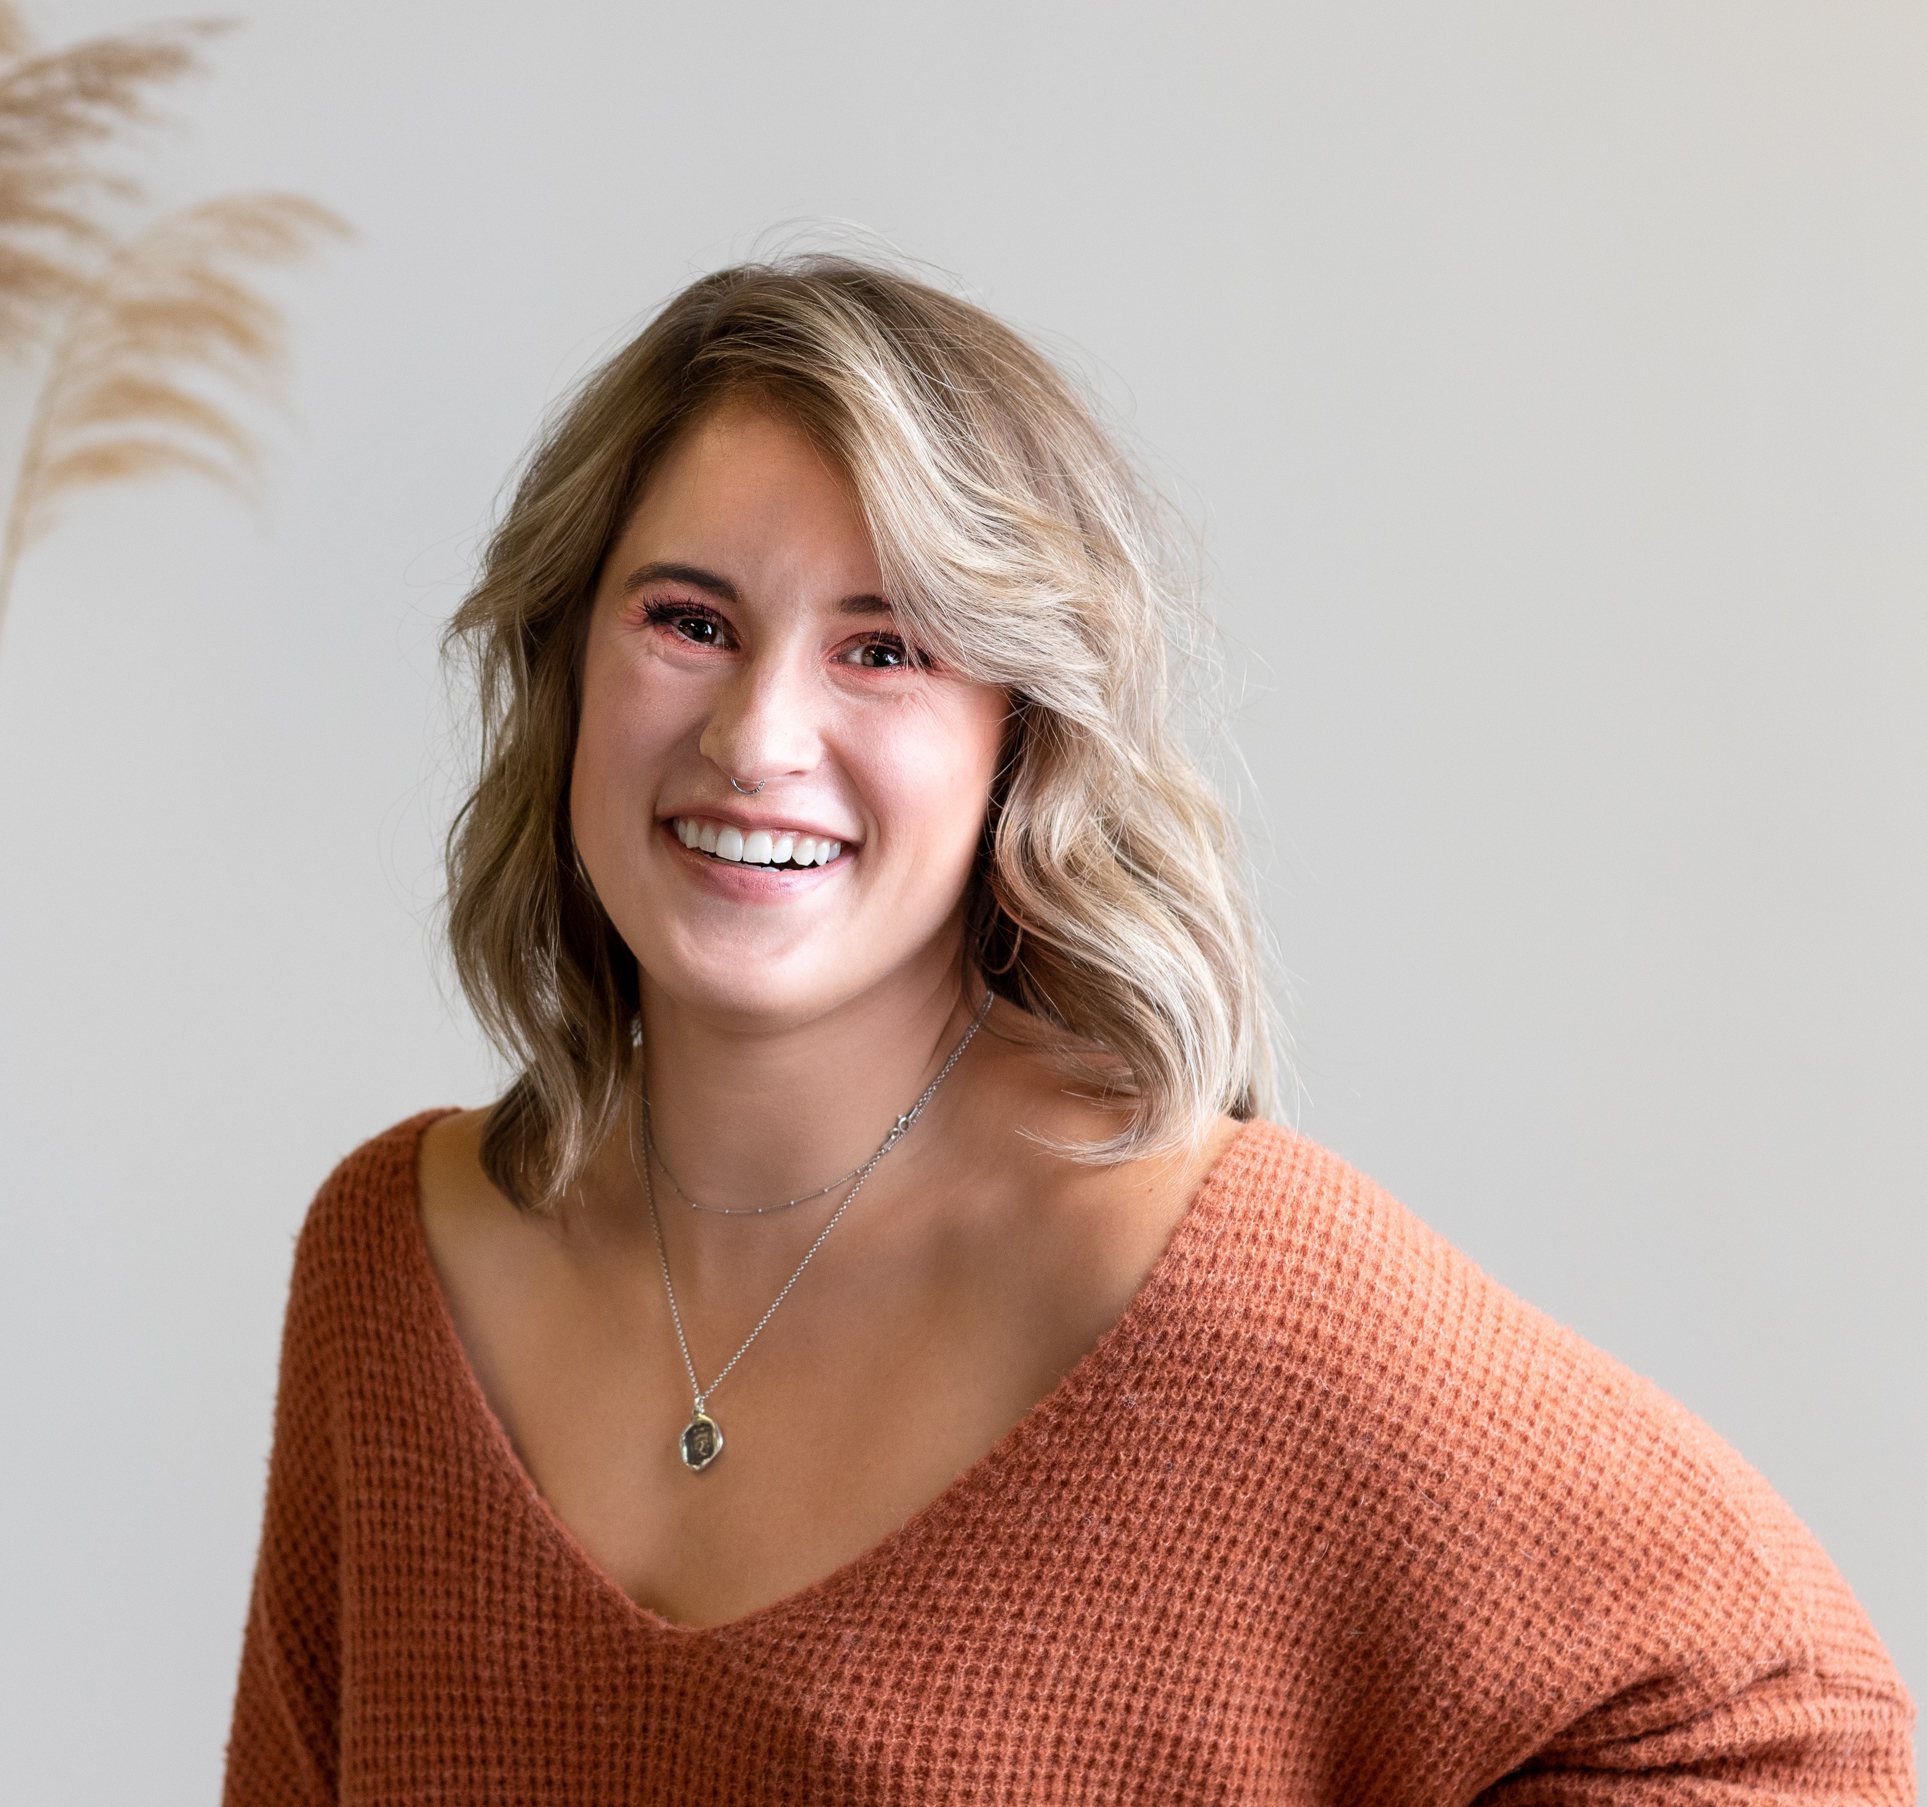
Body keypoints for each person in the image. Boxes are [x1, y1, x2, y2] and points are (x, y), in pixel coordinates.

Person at [222, 257, 1912, 1802]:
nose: (758, 738)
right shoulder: (388, 1267)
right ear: (566, 667)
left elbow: (1793, 1723)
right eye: (688, 622)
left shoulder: (1221, 1284)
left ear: (1018, 744)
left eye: (883, 650)